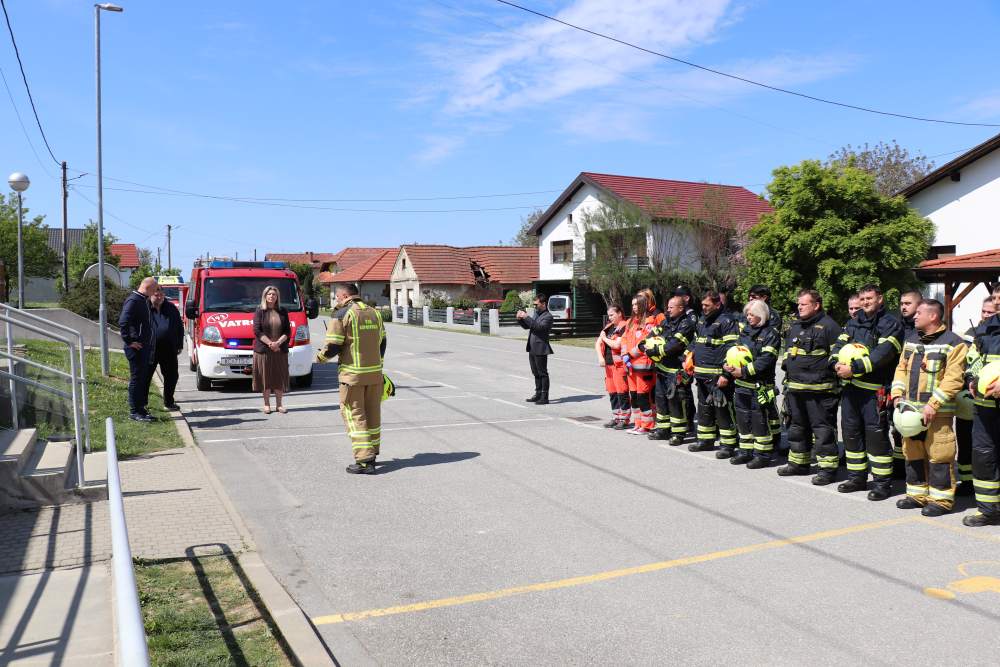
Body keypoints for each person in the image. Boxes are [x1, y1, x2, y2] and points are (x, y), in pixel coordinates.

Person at [890, 299, 967, 516]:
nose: (914, 316)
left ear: (933, 316)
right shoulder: (911, 340)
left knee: (940, 454)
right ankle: (917, 495)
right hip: (910, 411)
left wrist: (934, 404)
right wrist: (897, 394)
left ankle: (941, 500)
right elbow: (901, 370)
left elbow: (953, 379)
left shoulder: (954, 343)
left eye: (919, 313)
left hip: (937, 413)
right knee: (912, 452)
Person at [831, 284, 903, 500]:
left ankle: (882, 484)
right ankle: (857, 478)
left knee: (876, 438)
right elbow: (838, 346)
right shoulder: (853, 323)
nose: (865, 302)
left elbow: (882, 355)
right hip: (851, 389)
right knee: (851, 434)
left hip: (875, 391)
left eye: (869, 298)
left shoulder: (890, 324)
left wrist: (853, 369)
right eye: (862, 299)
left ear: (880, 299)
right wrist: (835, 364)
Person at [317, 283, 387, 475]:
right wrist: (379, 364)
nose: (336, 300)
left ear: (345, 295)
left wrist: (320, 358)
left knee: (354, 415)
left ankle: (364, 460)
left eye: (337, 296)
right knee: (372, 413)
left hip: (352, 376)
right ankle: (372, 452)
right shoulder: (375, 313)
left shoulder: (342, 313)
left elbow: (333, 345)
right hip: (374, 374)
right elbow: (383, 341)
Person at [778, 289, 841, 483]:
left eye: (803, 304)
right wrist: (787, 365)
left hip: (820, 391)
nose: (799, 307)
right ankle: (798, 464)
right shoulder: (796, 326)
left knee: (822, 431)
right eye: (798, 304)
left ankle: (827, 469)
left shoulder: (830, 326)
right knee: (797, 428)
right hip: (796, 389)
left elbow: (837, 356)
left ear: (816, 305)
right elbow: (789, 351)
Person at [724, 299, 780, 467]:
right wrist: (727, 365)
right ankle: (745, 452)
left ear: (761, 315)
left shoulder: (771, 334)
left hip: (760, 386)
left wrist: (744, 371)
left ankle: (762, 455)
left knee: (759, 421)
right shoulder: (746, 332)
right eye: (747, 314)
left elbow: (766, 360)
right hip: (742, 385)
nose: (748, 317)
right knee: (743, 419)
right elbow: (735, 352)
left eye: (752, 314)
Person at [963, 285, 1000, 526]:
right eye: (995, 297)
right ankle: (989, 510)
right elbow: (973, 358)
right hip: (985, 405)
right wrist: (972, 379)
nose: (997, 301)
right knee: (984, 456)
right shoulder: (985, 328)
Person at [956, 296, 998, 495]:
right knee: (969, 444)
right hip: (973, 398)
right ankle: (967, 484)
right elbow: (969, 360)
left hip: (991, 398)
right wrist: (971, 379)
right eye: (984, 311)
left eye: (991, 311)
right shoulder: (975, 332)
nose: (986, 315)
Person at [689, 290, 739, 456]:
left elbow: (732, 350)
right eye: (702, 305)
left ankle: (728, 445)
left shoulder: (727, 321)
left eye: (707, 305)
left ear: (717, 304)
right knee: (704, 409)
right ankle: (705, 440)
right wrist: (687, 357)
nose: (703, 308)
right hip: (701, 375)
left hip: (718, 377)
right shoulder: (702, 320)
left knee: (722, 410)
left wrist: (726, 375)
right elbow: (695, 342)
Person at [640, 295, 695, 444]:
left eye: (671, 307)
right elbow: (651, 335)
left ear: (681, 308)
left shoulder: (686, 324)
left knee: (676, 402)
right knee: (661, 400)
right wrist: (643, 345)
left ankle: (678, 433)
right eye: (668, 307)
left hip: (676, 371)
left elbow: (674, 345)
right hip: (662, 369)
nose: (668, 310)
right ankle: (663, 429)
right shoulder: (666, 322)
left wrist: (654, 351)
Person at [119, 276, 159, 422]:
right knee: (136, 379)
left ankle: (141, 409)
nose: (156, 292)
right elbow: (123, 321)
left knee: (142, 379)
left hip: (144, 346)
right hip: (136, 348)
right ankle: (134, 411)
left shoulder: (143, 300)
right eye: (155, 289)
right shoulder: (134, 300)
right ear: (148, 287)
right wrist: (129, 341)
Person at [894, 289, 924, 476]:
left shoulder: (924, 328)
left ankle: (917, 468)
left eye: (908, 303)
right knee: (897, 426)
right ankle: (899, 467)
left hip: (918, 389)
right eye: (902, 303)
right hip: (897, 384)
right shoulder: (896, 326)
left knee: (916, 430)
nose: (903, 307)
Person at [252, 285, 291, 414]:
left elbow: (287, 331)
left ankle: (279, 405)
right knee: (266, 378)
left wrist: (278, 343)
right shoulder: (260, 311)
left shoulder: (283, 311)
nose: (271, 296)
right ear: (265, 296)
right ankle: (267, 404)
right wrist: (270, 344)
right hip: (264, 350)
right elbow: (257, 330)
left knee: (279, 377)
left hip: (280, 349)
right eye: (269, 294)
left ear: (277, 297)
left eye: (274, 294)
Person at [145, 285, 184, 411]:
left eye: (161, 294)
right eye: (156, 295)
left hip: (169, 349)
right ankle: (142, 404)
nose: (159, 297)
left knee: (172, 376)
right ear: (150, 295)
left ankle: (169, 401)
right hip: (150, 349)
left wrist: (179, 344)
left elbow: (179, 327)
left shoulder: (171, 308)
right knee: (145, 377)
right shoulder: (144, 307)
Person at [622, 294, 657, 434]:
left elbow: (645, 343)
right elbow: (624, 339)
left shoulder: (649, 322)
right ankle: (638, 423)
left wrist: (630, 354)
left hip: (643, 365)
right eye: (633, 305)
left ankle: (647, 425)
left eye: (637, 304)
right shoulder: (630, 322)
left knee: (643, 396)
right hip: (630, 365)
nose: (634, 307)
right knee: (634, 397)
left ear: (643, 305)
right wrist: (624, 355)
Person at [518, 294, 554, 405]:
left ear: (543, 304)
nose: (535, 306)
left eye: (536, 304)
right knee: (535, 373)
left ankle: (544, 397)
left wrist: (526, 317)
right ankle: (538, 394)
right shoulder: (536, 314)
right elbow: (528, 326)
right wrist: (520, 319)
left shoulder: (548, 316)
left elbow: (539, 328)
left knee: (543, 373)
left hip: (541, 348)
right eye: (534, 304)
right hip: (532, 347)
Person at [596, 305, 629, 428]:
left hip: (619, 365)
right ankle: (616, 416)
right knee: (612, 392)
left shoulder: (624, 326)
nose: (610, 318)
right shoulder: (608, 327)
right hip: (608, 365)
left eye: (612, 315)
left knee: (622, 392)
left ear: (619, 313)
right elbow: (598, 343)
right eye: (609, 315)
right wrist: (600, 357)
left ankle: (624, 419)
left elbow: (616, 345)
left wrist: (604, 338)